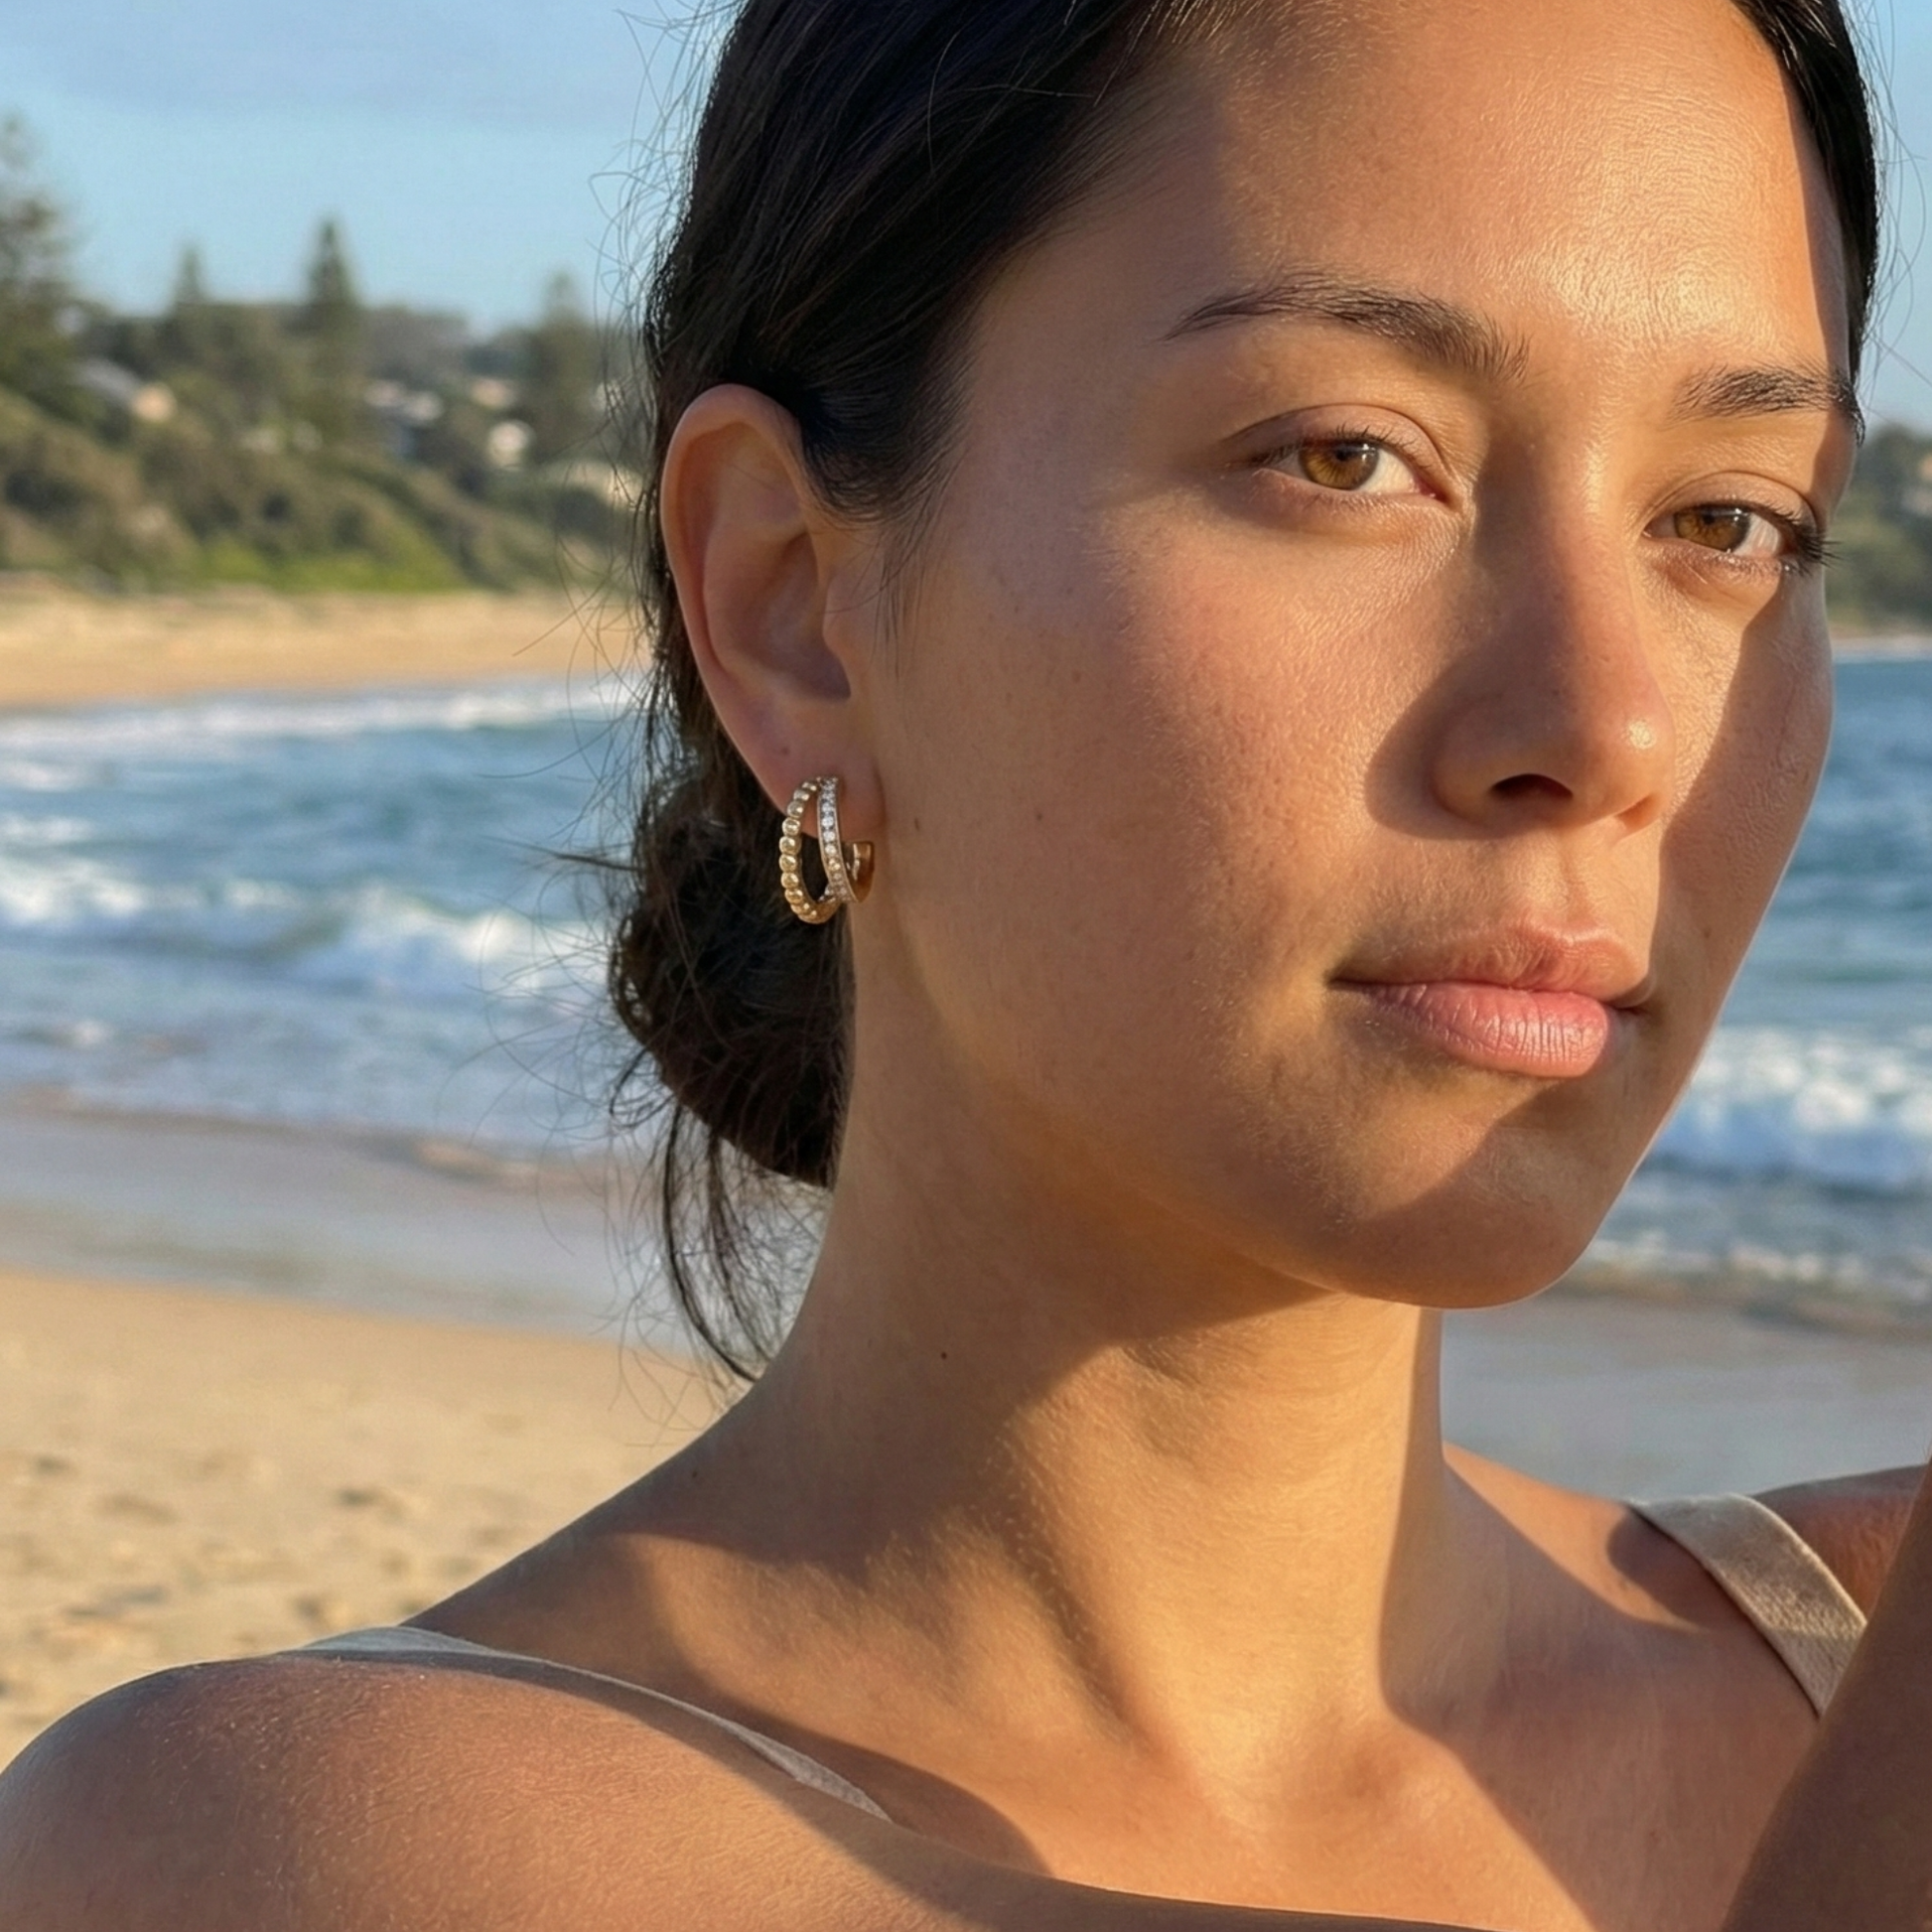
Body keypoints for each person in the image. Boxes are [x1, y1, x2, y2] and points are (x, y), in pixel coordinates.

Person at [1, 0, 1927, 1926]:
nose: (1608, 725)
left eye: (1730, 518)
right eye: (1345, 456)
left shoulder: (1845, 1648)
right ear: (790, 604)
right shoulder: (277, 1841)